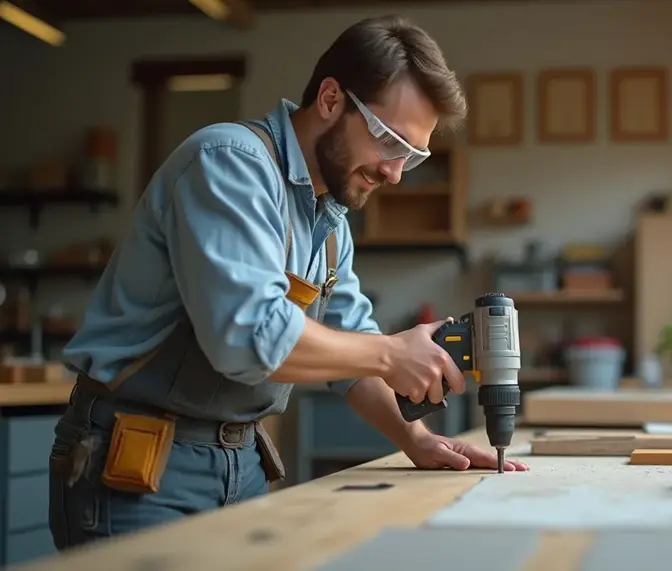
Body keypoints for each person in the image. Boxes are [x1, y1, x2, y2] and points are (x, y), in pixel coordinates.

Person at [48, 14, 528, 550]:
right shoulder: (230, 164)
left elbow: (354, 354)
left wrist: (416, 438)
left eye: (412, 156)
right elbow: (249, 339)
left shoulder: (329, 220)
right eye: (391, 141)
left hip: (242, 463)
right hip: (138, 464)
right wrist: (391, 354)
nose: (395, 171)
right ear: (330, 99)